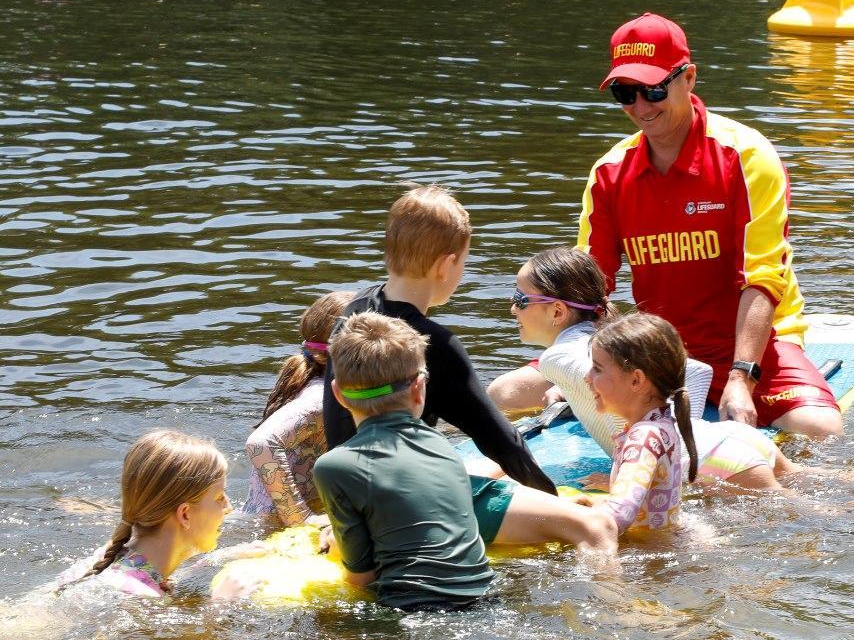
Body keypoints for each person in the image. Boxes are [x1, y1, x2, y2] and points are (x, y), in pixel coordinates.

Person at [562, 12, 843, 440]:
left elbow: (763, 279)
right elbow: (587, 289)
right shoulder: (609, 172)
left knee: (822, 430)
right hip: (661, 352)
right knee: (509, 391)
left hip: (753, 347)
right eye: (625, 92)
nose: (640, 107)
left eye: (654, 89)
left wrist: (740, 378)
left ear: (688, 78)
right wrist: (583, 370)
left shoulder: (746, 157)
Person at [315, 313, 616, 609]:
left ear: (338, 394)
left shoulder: (333, 466)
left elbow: (361, 579)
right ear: (420, 389)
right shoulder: (441, 448)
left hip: (405, 611)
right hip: (485, 602)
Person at [322, 185, 557, 495]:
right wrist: (552, 497)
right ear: (445, 266)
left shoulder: (354, 311)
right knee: (586, 524)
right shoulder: (435, 344)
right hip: (404, 499)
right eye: (463, 262)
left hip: (342, 489)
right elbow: (501, 443)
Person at [505, 246, 798, 490]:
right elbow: (696, 371)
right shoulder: (607, 338)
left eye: (520, 300)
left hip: (706, 461)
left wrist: (646, 469)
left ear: (557, 311)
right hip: (730, 439)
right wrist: (684, 434)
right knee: (821, 502)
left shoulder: (557, 359)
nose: (512, 309)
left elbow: (612, 390)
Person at [54, 430, 264, 599]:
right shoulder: (137, 597)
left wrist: (223, 557)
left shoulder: (112, 555)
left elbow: (173, 569)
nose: (228, 508)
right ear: (185, 515)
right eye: (219, 498)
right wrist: (220, 603)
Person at [243, 290, 355, 524]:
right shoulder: (320, 399)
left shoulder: (311, 384)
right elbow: (260, 443)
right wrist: (300, 519)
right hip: (273, 526)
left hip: (264, 516)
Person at [586, 313, 700, 534]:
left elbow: (617, 516)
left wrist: (560, 517)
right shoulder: (660, 424)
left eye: (597, 368)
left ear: (636, 380)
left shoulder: (644, 437)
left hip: (650, 564)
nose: (587, 377)